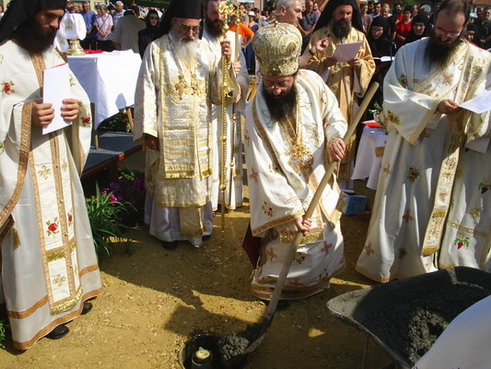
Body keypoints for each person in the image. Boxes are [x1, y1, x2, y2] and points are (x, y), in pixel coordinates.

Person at [356, 0, 491, 282]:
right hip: (407, 146)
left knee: (431, 209)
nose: (443, 36)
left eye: (452, 33)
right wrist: (433, 105)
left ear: (465, 28)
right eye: (439, 29)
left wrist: (470, 113)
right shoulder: (409, 52)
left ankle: (424, 268)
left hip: (447, 152)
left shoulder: (479, 62)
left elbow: (485, 106)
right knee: (398, 206)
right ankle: (387, 264)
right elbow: (391, 98)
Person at [0, 0, 103, 350]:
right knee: (30, 240)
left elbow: (75, 94)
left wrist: (77, 107)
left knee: (67, 225)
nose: (58, 25)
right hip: (24, 168)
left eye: (60, 18)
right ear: (29, 13)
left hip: (57, 160)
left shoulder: (51, 50)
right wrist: (25, 114)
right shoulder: (2, 55)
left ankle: (71, 297)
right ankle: (38, 316)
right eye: (51, 17)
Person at [244, 22, 347, 301]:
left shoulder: (312, 83)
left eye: (282, 83)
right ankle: (278, 289)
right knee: (296, 242)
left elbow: (333, 116)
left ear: (295, 73)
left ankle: (319, 282)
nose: (275, 90)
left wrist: (336, 137)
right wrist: (291, 210)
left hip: (319, 175)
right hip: (286, 190)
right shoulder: (254, 110)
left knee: (326, 236)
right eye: (269, 83)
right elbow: (261, 168)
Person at [134, 0, 237, 250]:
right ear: (174, 23)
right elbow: (145, 91)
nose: (191, 34)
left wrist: (225, 65)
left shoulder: (208, 50)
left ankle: (198, 229)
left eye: (195, 28)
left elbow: (219, 95)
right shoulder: (156, 50)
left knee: (196, 180)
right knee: (168, 181)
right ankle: (166, 232)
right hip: (165, 131)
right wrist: (149, 129)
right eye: (185, 28)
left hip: (199, 130)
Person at [300, 0, 375, 187]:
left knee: (345, 139)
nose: (345, 18)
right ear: (333, 13)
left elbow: (370, 63)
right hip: (321, 100)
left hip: (347, 98)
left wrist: (360, 66)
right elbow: (305, 69)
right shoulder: (319, 36)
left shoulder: (358, 37)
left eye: (349, 14)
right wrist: (323, 64)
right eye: (341, 13)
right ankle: (319, 182)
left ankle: (343, 187)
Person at [202, 0, 249, 211]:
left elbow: (244, 76)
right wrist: (223, 65)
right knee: (210, 151)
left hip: (228, 110)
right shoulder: (198, 38)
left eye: (222, 13)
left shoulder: (234, 37)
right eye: (214, 13)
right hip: (206, 111)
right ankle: (209, 200)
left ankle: (226, 197)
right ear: (205, 11)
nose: (219, 18)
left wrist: (237, 81)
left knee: (227, 149)